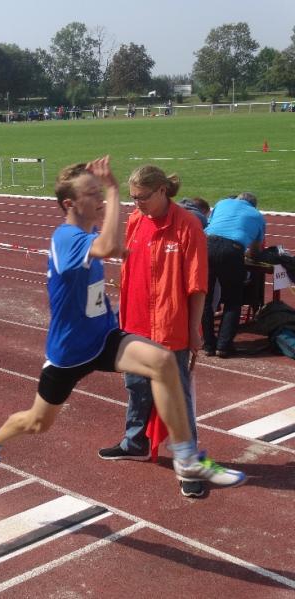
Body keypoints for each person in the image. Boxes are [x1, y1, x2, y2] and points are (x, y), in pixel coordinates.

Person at [0, 157, 245, 492]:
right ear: (70, 204)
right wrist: (115, 188)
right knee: (37, 422)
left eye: (100, 191)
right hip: (69, 352)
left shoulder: (88, 234)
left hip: (102, 338)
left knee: (163, 362)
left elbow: (114, 248)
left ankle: (186, 457)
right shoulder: (66, 238)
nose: (100, 198)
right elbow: (110, 247)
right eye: (92, 193)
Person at [98, 166, 209, 498]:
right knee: (136, 386)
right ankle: (136, 442)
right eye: (133, 198)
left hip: (169, 326)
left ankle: (188, 464)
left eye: (142, 197)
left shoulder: (187, 226)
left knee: (176, 397)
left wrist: (194, 329)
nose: (137, 204)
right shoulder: (136, 219)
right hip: (135, 322)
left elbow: (197, 285)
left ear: (162, 191)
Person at [202, 193, 266, 358]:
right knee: (233, 300)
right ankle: (223, 346)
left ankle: (208, 344)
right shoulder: (257, 216)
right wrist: (247, 254)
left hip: (206, 245)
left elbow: (211, 224)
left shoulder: (222, 203)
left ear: (237, 199)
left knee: (205, 298)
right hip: (233, 250)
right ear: (253, 205)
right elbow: (255, 250)